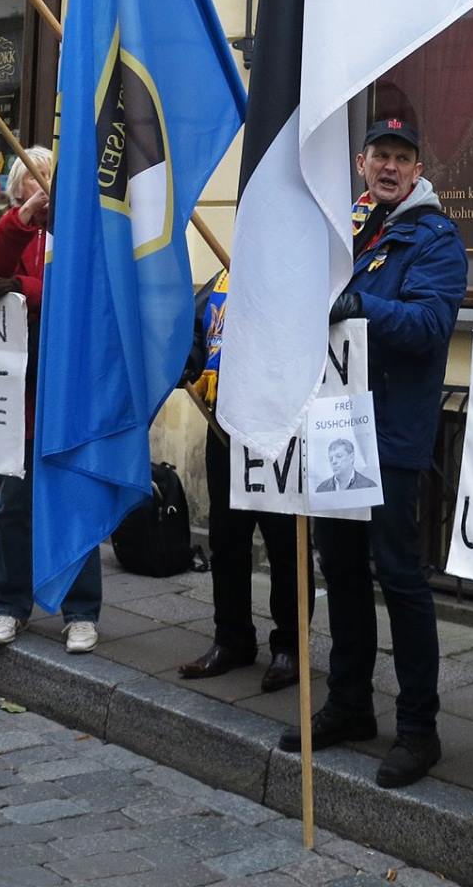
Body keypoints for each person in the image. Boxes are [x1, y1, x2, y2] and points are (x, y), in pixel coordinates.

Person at [277, 117, 465, 790]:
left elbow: (431, 326)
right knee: (342, 570)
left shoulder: (435, 238)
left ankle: (419, 730)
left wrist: (360, 307)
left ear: (417, 171)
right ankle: (349, 704)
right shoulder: (347, 228)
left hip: (389, 437)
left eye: (401, 158)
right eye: (380, 155)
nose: (389, 167)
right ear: (362, 163)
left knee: (401, 577)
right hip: (335, 429)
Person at [0, 148, 102, 656]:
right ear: (17, 190)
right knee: (11, 506)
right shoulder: (15, 228)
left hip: (67, 391)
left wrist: (22, 290)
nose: (42, 183)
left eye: (48, 175)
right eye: (31, 177)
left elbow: (76, 295)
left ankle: (81, 612)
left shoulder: (81, 232)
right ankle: (10, 605)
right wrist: (23, 220)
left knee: (73, 501)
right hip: (17, 396)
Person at [178, 267, 305, 693]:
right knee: (227, 540)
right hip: (225, 428)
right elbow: (196, 332)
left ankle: (290, 647)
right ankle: (231, 639)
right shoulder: (222, 279)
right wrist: (186, 362)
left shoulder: (297, 271)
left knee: (286, 544)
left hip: (280, 431)